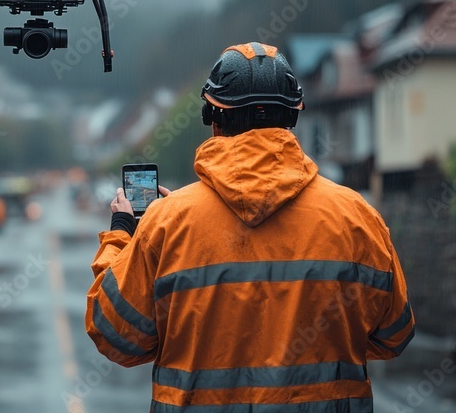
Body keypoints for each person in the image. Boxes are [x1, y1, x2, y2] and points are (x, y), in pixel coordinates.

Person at [86, 42, 414, 411]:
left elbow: (117, 337)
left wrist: (122, 236)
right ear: (292, 117)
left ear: (214, 118)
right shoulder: (357, 217)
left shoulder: (167, 223)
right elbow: (393, 336)